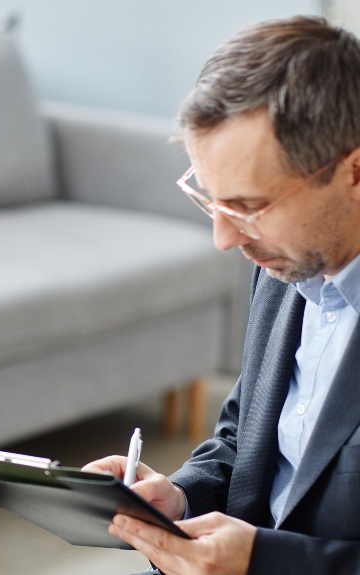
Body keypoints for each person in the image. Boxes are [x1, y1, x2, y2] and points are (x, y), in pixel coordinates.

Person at [83, 15, 360, 575]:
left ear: (354, 172)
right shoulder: (289, 266)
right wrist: (179, 500)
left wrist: (267, 563)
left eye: (249, 207)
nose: (224, 239)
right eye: (212, 201)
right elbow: (244, 439)